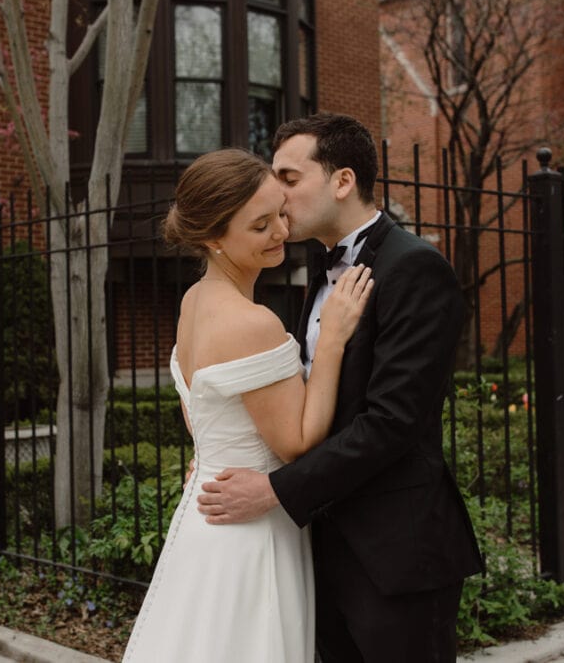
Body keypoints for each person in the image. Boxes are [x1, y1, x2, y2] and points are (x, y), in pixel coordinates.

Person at [197, 113, 483, 662]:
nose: (274, 194)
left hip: (394, 553)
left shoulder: (416, 268)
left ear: (343, 181)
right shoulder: (312, 264)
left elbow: (393, 422)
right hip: (318, 549)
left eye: (288, 177)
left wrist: (276, 490)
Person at [121, 148, 374, 662]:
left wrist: (211, 457)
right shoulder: (250, 322)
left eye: (281, 212)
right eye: (261, 226)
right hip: (250, 533)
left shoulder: (194, 301)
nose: (281, 231)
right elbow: (298, 442)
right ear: (214, 238)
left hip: (203, 520)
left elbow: (200, 415)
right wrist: (331, 343)